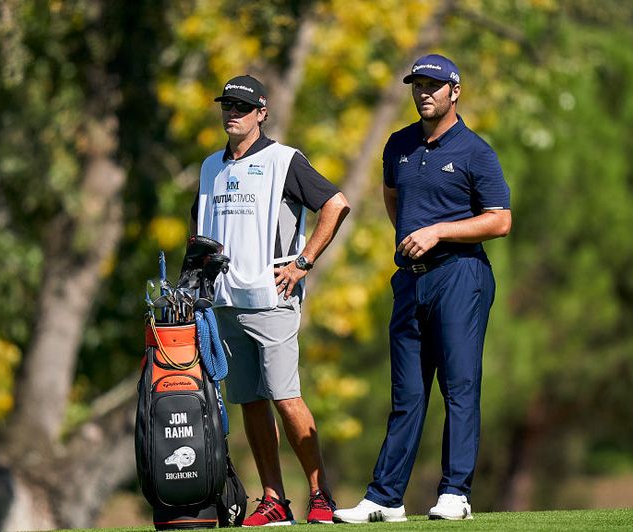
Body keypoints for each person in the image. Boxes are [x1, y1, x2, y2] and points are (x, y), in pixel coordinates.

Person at [334, 54, 512, 523]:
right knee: (407, 394)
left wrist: (437, 232)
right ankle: (386, 498)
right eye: (418, 85)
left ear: (455, 91)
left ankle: (456, 492)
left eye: (434, 85)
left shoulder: (476, 151)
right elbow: (393, 197)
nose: (424, 92)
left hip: (461, 276)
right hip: (411, 282)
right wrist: (414, 240)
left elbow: (500, 220)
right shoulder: (398, 145)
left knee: (459, 386)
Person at [190, 75, 351, 526]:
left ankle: (321, 495)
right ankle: (274, 499)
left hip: (272, 297)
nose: (233, 114)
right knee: (250, 400)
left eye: (243, 107)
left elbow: (336, 204)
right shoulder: (209, 167)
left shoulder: (284, 161)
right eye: (227, 106)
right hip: (223, 302)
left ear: (262, 113)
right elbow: (199, 231)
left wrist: (303, 262)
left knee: (285, 396)